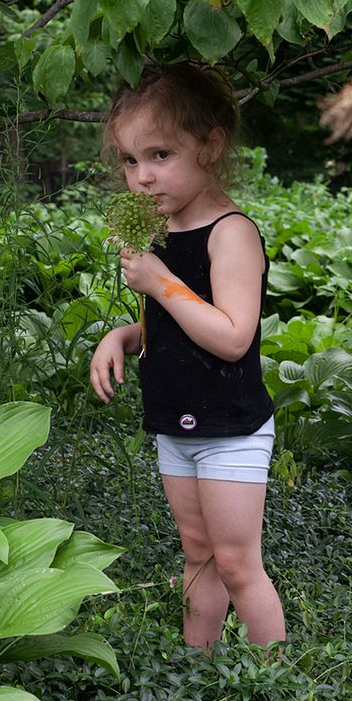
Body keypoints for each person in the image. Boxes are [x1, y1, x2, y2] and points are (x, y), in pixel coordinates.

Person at [90, 62, 285, 652]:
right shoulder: (163, 232)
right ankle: (195, 665)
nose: (142, 177)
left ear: (210, 146)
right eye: (130, 161)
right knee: (197, 553)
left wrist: (159, 281)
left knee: (236, 562)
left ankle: (279, 680)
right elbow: (171, 325)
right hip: (176, 424)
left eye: (160, 155)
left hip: (230, 430)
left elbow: (232, 336)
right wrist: (123, 336)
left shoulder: (231, 233)